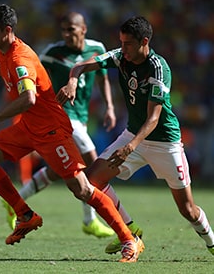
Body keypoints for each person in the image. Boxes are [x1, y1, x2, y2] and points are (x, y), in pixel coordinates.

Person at [0, 4, 144, 262]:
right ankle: (25, 215)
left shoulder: (20, 58)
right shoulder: (2, 47)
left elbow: (29, 98)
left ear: (7, 31)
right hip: (29, 127)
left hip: (52, 131)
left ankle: (128, 239)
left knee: (82, 189)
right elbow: (9, 63)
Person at [56, 15, 214, 255]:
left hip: (165, 143)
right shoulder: (121, 57)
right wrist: (73, 80)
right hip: (133, 135)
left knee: (188, 210)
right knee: (89, 182)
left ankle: (212, 243)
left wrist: (129, 147)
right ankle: (130, 233)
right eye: (121, 42)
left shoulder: (158, 68)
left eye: (128, 43)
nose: (123, 48)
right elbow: (80, 66)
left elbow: (153, 118)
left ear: (145, 41)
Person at [3, 12, 116, 238]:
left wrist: (110, 106)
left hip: (81, 117)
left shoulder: (96, 49)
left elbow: (103, 77)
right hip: (61, 114)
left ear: (83, 29)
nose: (66, 34)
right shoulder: (53, 52)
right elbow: (26, 63)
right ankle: (90, 220)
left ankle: (17, 200)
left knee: (59, 170)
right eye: (63, 30)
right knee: (91, 163)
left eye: (71, 30)